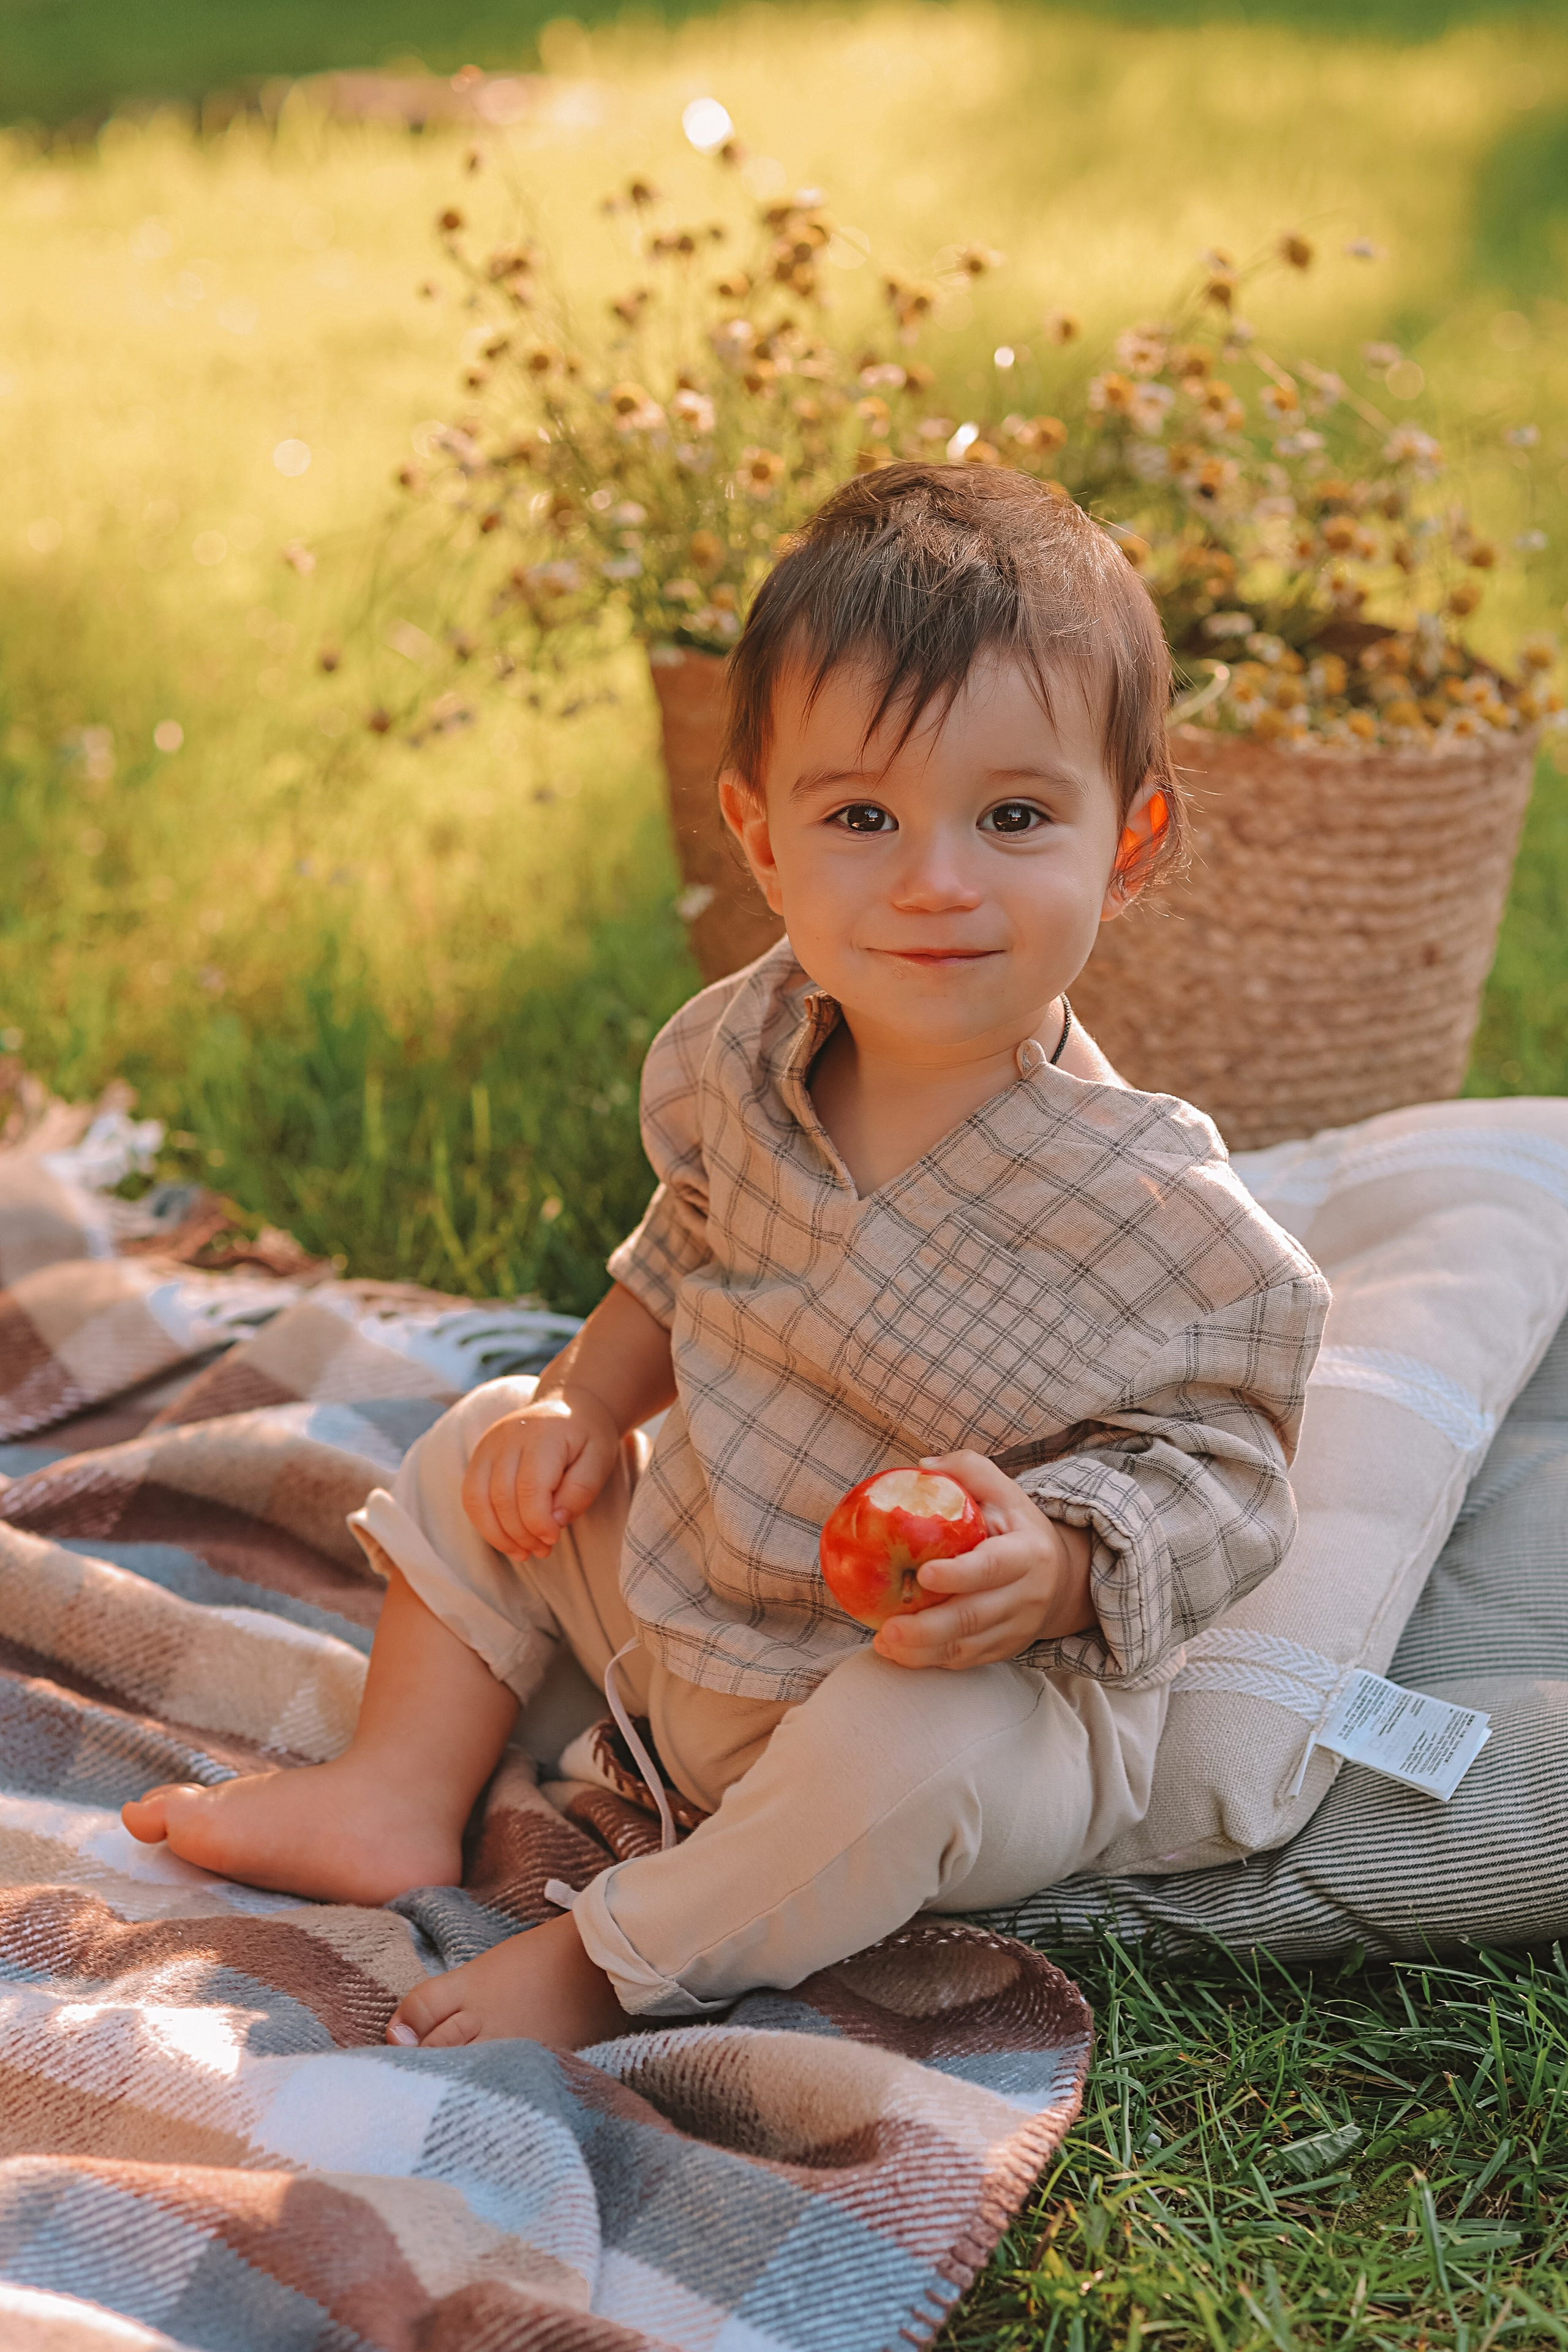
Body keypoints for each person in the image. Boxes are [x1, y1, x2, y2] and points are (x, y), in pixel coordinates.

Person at [124, 464, 1329, 2049]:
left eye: (1017, 816)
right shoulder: (742, 1052)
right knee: (489, 1446)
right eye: (862, 818)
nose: (938, 878)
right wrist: (582, 1413)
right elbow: (676, 1253)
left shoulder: (1160, 1211)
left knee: (915, 1748)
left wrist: (1057, 1564)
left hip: (958, 1688)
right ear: (761, 838)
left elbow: (1231, 1467)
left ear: (1134, 839)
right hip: (707, 1592)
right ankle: (395, 1792)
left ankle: (617, 1955)